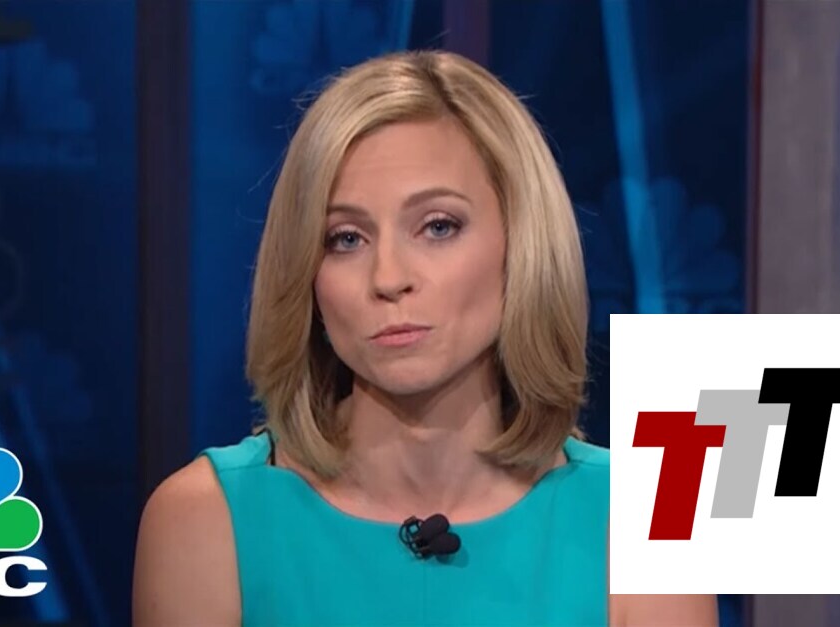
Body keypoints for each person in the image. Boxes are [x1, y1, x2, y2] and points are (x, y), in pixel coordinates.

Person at [133, 50, 718, 626]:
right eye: (346, 238)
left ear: (521, 244)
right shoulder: (205, 520)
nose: (388, 278)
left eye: (438, 226)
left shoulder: (649, 516)